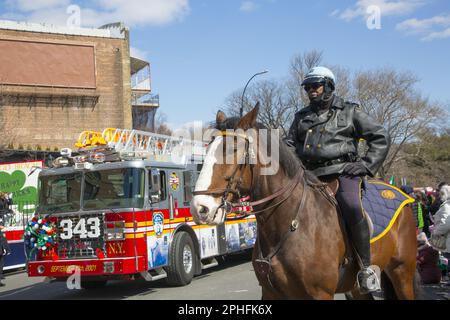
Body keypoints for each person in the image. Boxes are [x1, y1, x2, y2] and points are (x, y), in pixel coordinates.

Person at [286, 66, 390, 293]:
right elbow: (289, 145)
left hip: (344, 172)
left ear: (329, 86)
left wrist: (366, 164)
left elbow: (380, 136)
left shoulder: (350, 111)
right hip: (310, 175)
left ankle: (365, 269)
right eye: (307, 87)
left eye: (315, 86)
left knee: (352, 205)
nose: (311, 91)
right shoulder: (301, 116)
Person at [430, 185, 450, 263]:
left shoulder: (447, 206)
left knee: (446, 261)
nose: (440, 196)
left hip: (446, 238)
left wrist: (436, 231)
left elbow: (446, 224)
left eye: (441, 194)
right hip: (446, 237)